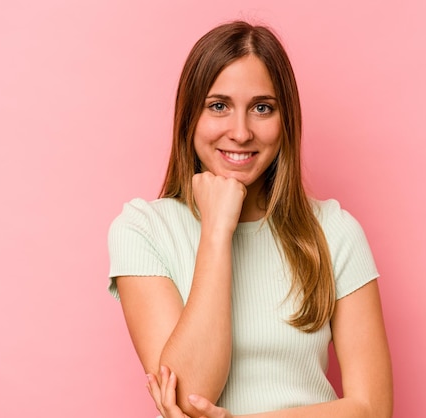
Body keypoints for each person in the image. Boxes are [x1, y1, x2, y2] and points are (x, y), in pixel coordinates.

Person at [108, 20, 393, 418]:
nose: (240, 132)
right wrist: (216, 230)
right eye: (218, 106)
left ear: (285, 120)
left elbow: (373, 408)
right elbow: (188, 396)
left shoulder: (334, 231)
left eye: (262, 108)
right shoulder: (142, 231)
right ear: (190, 116)